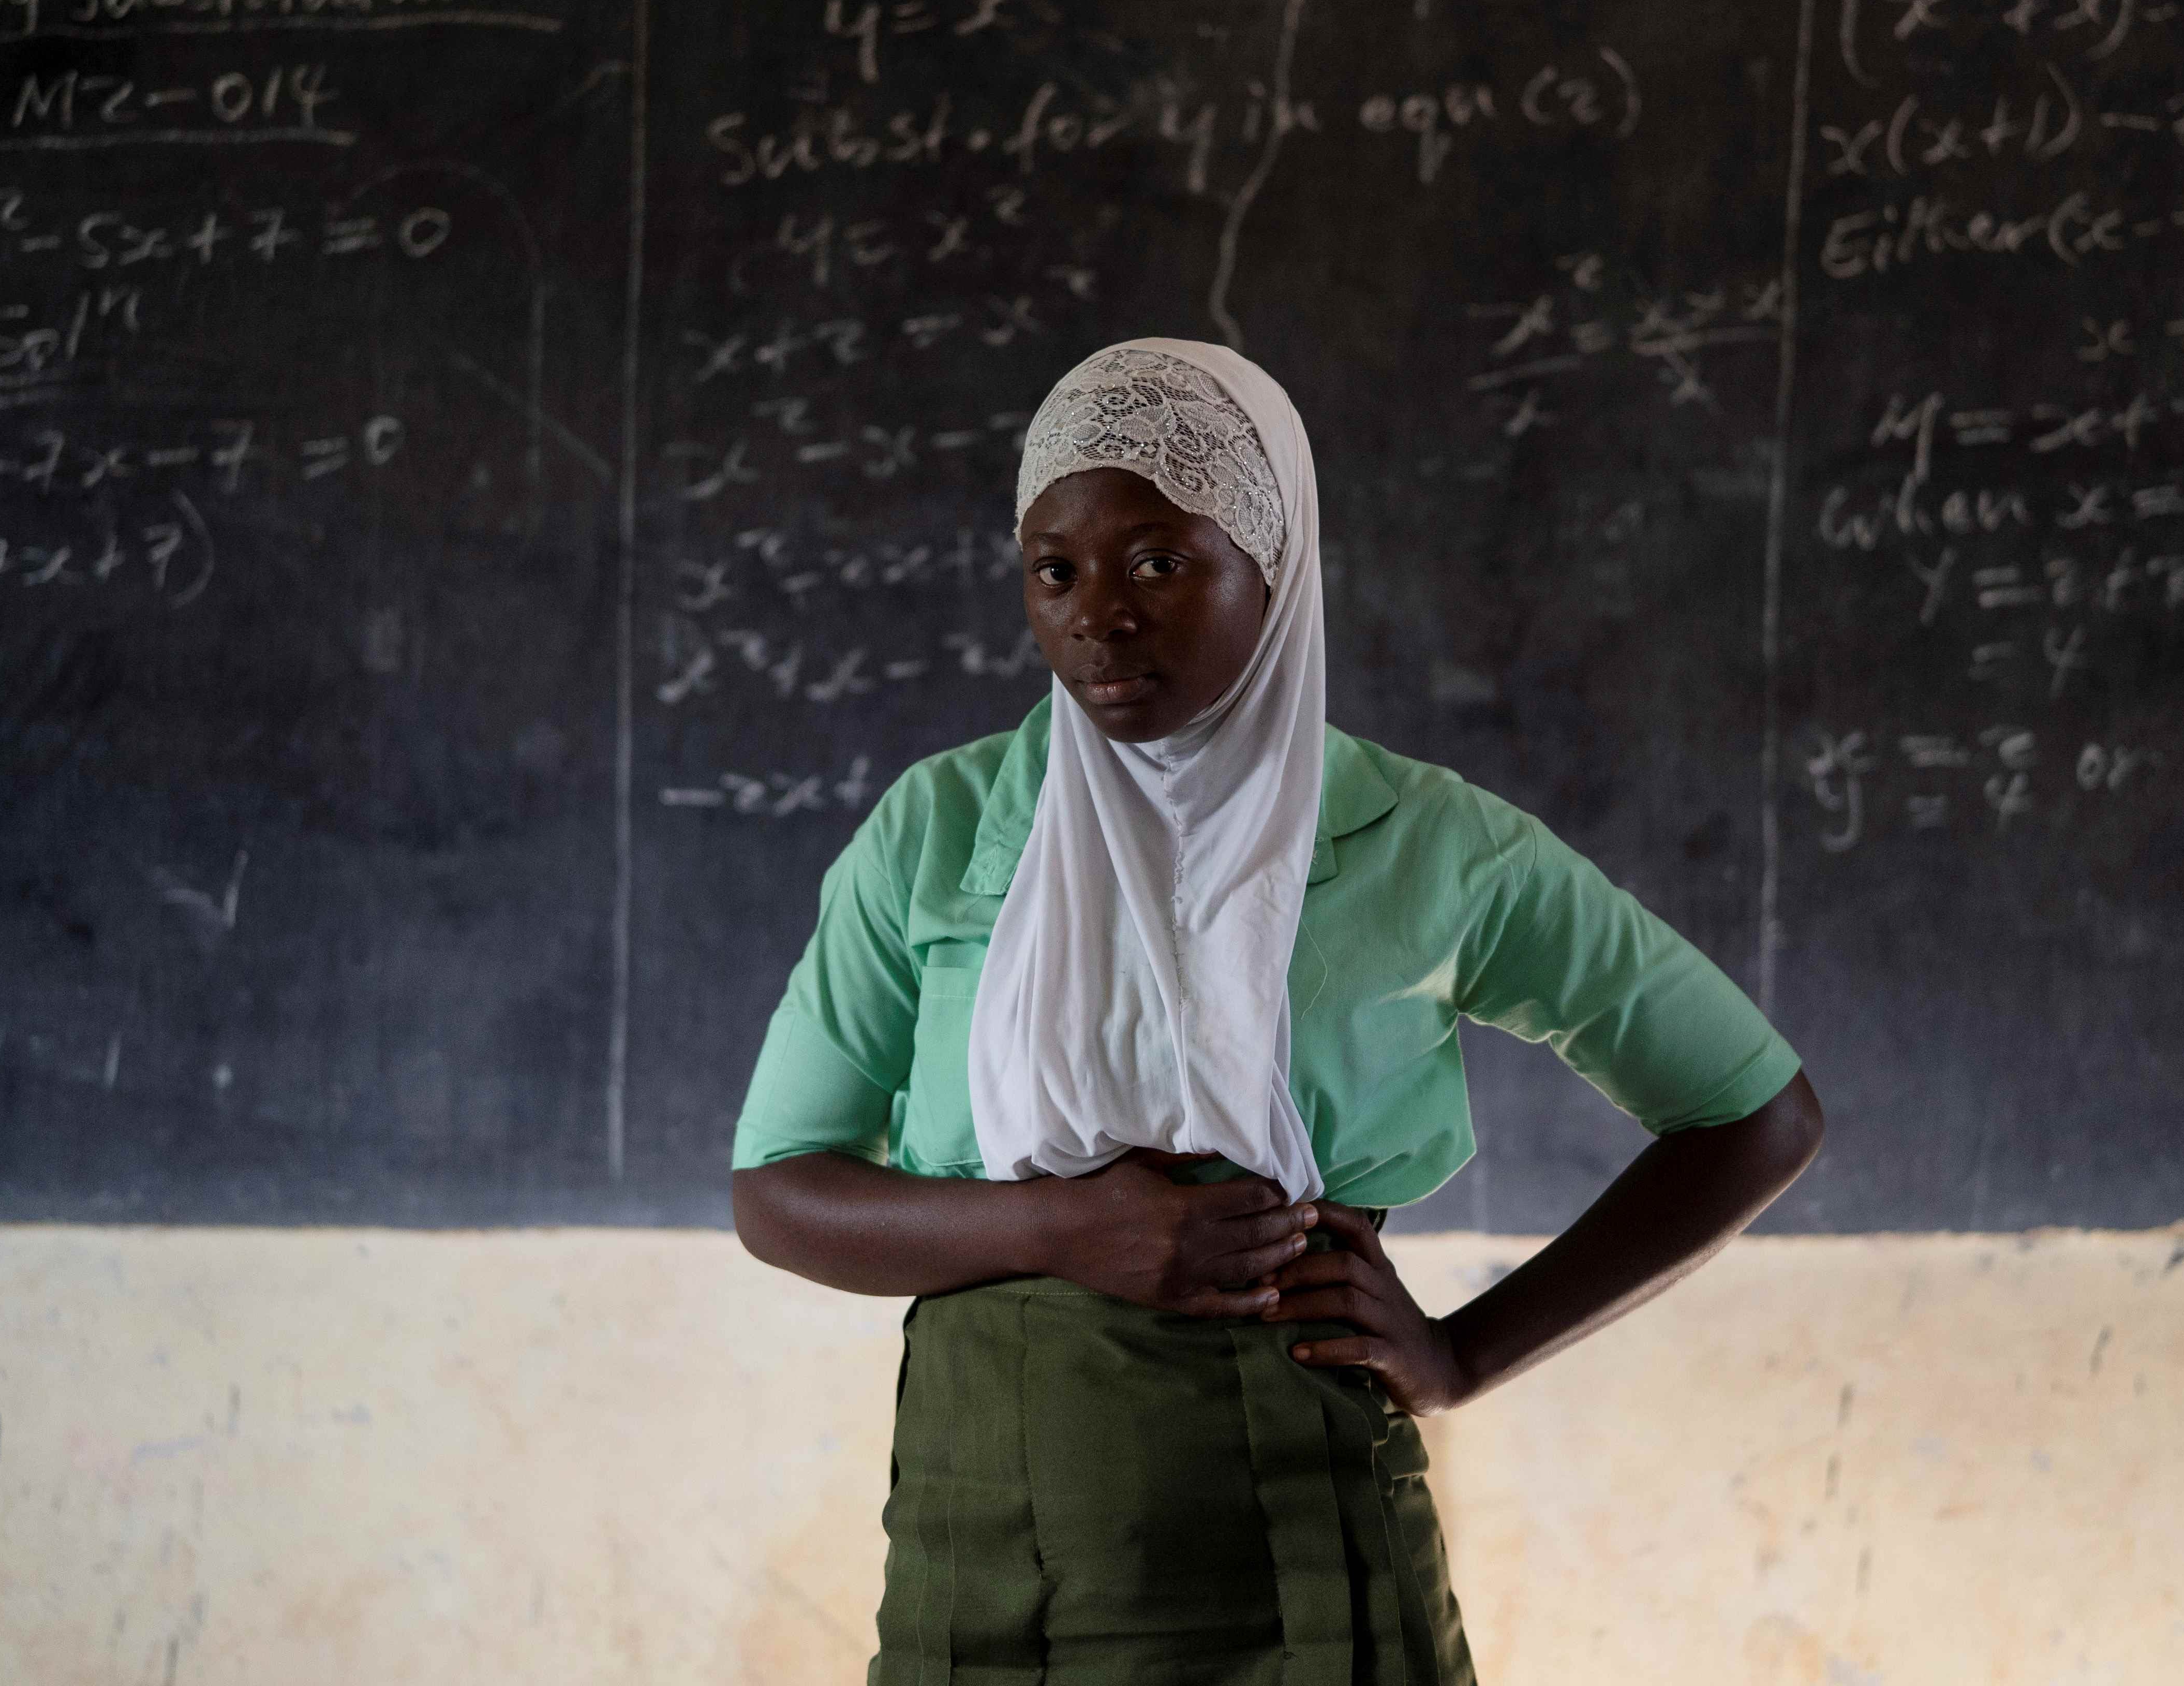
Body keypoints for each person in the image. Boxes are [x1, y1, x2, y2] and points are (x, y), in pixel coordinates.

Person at [731, 338, 1824, 1685]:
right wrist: (1064, 1227)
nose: (1098, 613)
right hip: (981, 1561)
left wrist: (1461, 1356)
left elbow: (1753, 1115)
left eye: (1158, 561)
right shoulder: (942, 830)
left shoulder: (1430, 844)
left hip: (1303, 1562)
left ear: (1274, 564)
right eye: (1054, 571)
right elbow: (780, 1193)